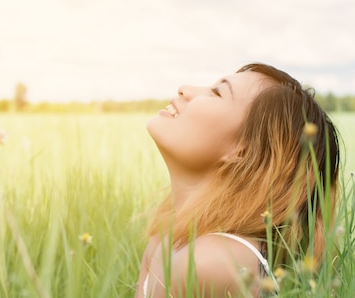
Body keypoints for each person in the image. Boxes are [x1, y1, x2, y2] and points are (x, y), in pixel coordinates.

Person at [134, 63, 340, 297]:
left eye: (217, 92)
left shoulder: (209, 263)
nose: (184, 89)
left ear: (244, 150)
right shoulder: (165, 239)